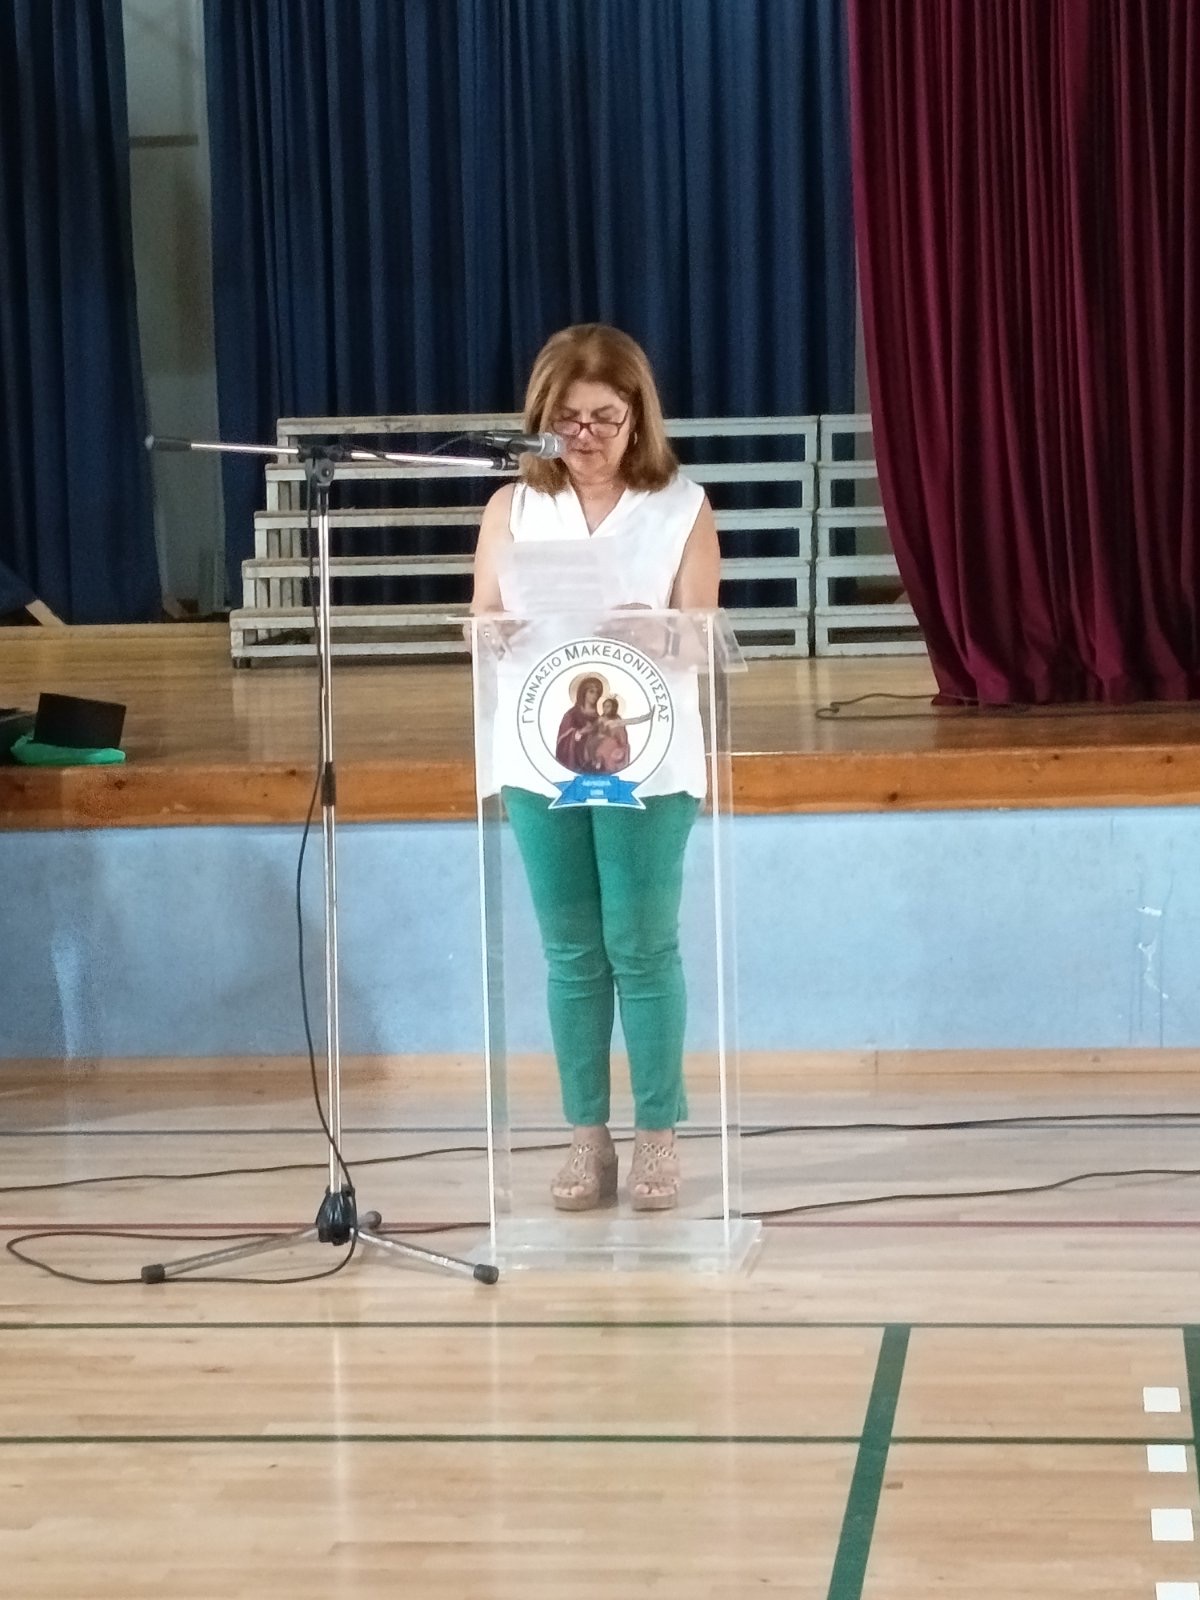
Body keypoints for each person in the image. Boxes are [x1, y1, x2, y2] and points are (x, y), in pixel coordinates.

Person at [471, 323, 720, 1213]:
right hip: (538, 752)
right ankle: (587, 1136)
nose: (585, 436)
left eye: (604, 418)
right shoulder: (510, 508)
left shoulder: (681, 507)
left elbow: (704, 638)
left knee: (641, 948)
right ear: (542, 419)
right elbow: (481, 620)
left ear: (637, 416)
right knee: (572, 953)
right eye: (568, 419)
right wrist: (492, 630)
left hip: (648, 757)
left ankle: (658, 1134)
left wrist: (662, 631)